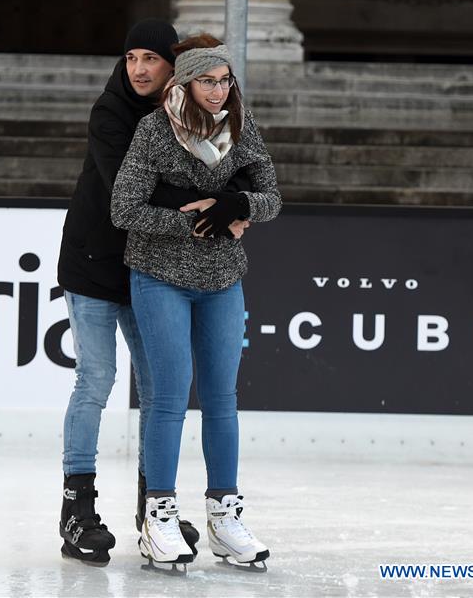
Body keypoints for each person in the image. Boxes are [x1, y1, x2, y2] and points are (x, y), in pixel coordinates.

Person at [57, 19, 247, 566]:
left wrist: (235, 198)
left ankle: (153, 508)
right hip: (95, 266)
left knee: (161, 389)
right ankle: (77, 508)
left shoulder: (191, 114)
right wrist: (218, 206)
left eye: (151, 59)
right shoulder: (111, 112)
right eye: (131, 57)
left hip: (153, 269)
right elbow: (130, 189)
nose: (139, 68)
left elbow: (228, 161)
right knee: (96, 380)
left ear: (176, 68)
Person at [110, 34, 281, 570]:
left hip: (224, 280)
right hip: (160, 277)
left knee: (221, 398)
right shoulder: (155, 130)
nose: (218, 90)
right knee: (167, 396)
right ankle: (158, 516)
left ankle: (224, 516)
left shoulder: (240, 126)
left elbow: (272, 198)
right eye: (207, 80)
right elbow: (123, 209)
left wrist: (237, 200)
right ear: (185, 83)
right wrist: (193, 220)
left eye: (224, 80)